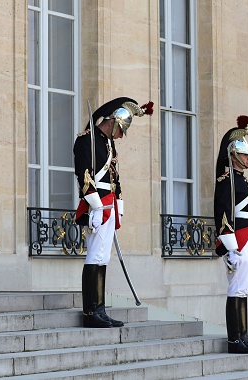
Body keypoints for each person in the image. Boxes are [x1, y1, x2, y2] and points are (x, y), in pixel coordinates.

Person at [74, 97, 153, 328]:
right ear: (112, 123)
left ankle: (100, 309)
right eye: (121, 130)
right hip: (96, 204)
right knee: (95, 256)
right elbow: (85, 177)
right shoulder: (85, 141)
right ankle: (90, 312)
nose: (120, 136)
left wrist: (119, 205)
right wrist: (96, 206)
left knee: (103, 257)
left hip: (109, 204)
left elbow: (114, 179)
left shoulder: (108, 143)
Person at [214, 115, 248, 354]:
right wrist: (231, 247)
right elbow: (223, 215)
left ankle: (243, 337)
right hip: (238, 241)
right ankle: (234, 339)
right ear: (234, 156)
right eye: (244, 155)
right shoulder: (228, 181)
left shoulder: (243, 181)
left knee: (244, 289)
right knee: (236, 289)